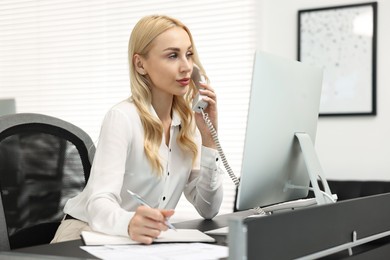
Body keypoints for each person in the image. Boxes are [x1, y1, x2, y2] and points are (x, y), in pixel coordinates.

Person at [51, 14, 224, 244]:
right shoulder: (122, 118)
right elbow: (99, 203)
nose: (186, 66)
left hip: (137, 241)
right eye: (173, 55)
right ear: (140, 64)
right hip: (85, 234)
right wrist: (129, 222)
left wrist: (209, 138)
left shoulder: (187, 123)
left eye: (189, 54)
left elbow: (208, 208)